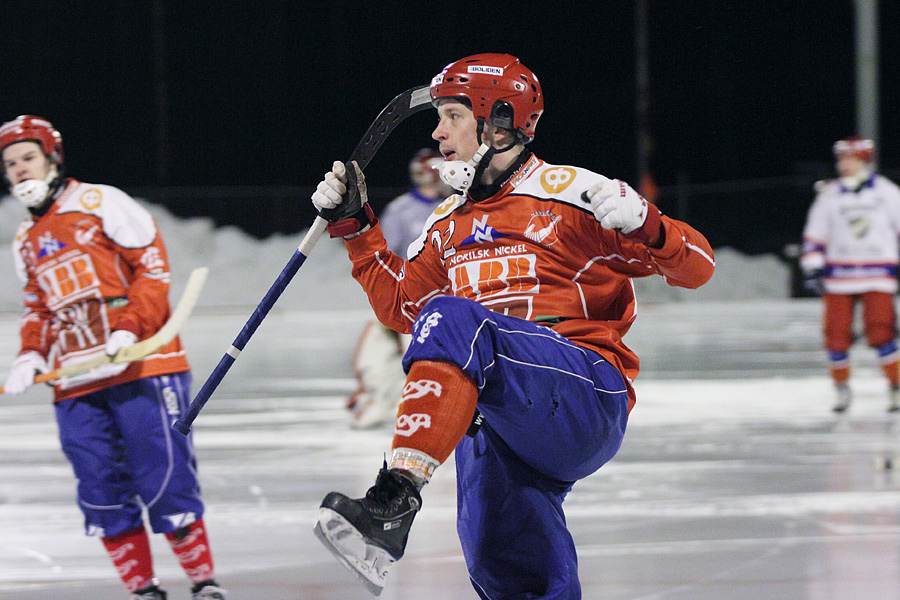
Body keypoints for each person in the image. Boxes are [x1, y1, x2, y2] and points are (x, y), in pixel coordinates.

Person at [310, 54, 715, 598]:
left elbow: (699, 268)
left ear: (498, 121)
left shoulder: (571, 193)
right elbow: (406, 310)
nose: (437, 131)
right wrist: (358, 228)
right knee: (504, 565)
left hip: (582, 393)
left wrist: (650, 224)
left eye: (452, 114)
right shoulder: (446, 222)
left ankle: (394, 498)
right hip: (502, 414)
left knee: (455, 319)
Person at [0, 115, 226, 600]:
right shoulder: (24, 240)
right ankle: (142, 590)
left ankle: (203, 584)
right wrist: (30, 354)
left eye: (27, 158)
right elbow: (38, 305)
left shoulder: (101, 202)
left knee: (164, 477)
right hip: (76, 378)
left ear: (52, 158)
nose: (18, 169)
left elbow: (152, 268)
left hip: (142, 363)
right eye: (10, 163)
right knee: (99, 488)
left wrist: (127, 329)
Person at [347, 148, 454, 428]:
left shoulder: (458, 205)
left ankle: (438, 412)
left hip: (447, 300)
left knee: (433, 362)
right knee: (375, 357)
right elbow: (384, 254)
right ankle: (376, 400)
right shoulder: (401, 209)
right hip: (408, 295)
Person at [801, 136, 900, 413]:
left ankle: (895, 387)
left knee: (882, 331)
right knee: (836, 335)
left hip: (878, 273)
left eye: (851, 159)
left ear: (865, 160)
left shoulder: (887, 193)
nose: (844, 165)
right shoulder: (829, 195)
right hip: (839, 276)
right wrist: (813, 267)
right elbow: (815, 234)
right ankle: (842, 390)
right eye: (841, 159)